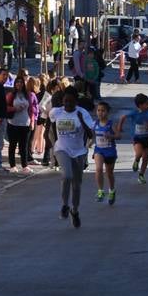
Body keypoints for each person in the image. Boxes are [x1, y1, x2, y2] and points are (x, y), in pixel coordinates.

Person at [50, 87, 95, 228]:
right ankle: (64, 205)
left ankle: (74, 211)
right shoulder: (56, 112)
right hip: (62, 149)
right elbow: (50, 129)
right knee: (67, 176)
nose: (68, 104)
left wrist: (81, 120)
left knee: (76, 185)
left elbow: (90, 134)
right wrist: (52, 146)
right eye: (65, 101)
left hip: (79, 152)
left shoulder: (83, 113)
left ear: (76, 101)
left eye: (71, 102)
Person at [91, 100, 122, 205]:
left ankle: (112, 190)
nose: (100, 113)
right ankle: (100, 191)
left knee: (109, 173)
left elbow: (119, 136)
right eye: (98, 110)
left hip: (110, 151)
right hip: (99, 150)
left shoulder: (111, 124)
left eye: (103, 111)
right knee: (99, 169)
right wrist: (89, 142)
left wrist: (111, 136)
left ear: (107, 112)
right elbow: (92, 136)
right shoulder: (94, 123)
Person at [6, 75, 34, 173]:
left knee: (24, 146)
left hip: (25, 123)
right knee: (12, 145)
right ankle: (12, 166)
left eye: (21, 82)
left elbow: (31, 110)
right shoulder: (11, 95)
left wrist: (32, 121)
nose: (19, 84)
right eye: (17, 82)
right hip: (13, 123)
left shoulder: (28, 95)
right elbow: (5, 108)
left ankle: (24, 165)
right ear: (15, 84)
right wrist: (15, 109)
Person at [126, 93, 148, 184]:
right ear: (140, 105)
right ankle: (136, 161)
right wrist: (119, 127)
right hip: (137, 138)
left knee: (145, 158)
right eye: (146, 104)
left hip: (147, 138)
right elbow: (123, 117)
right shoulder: (134, 113)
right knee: (139, 154)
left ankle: (141, 175)